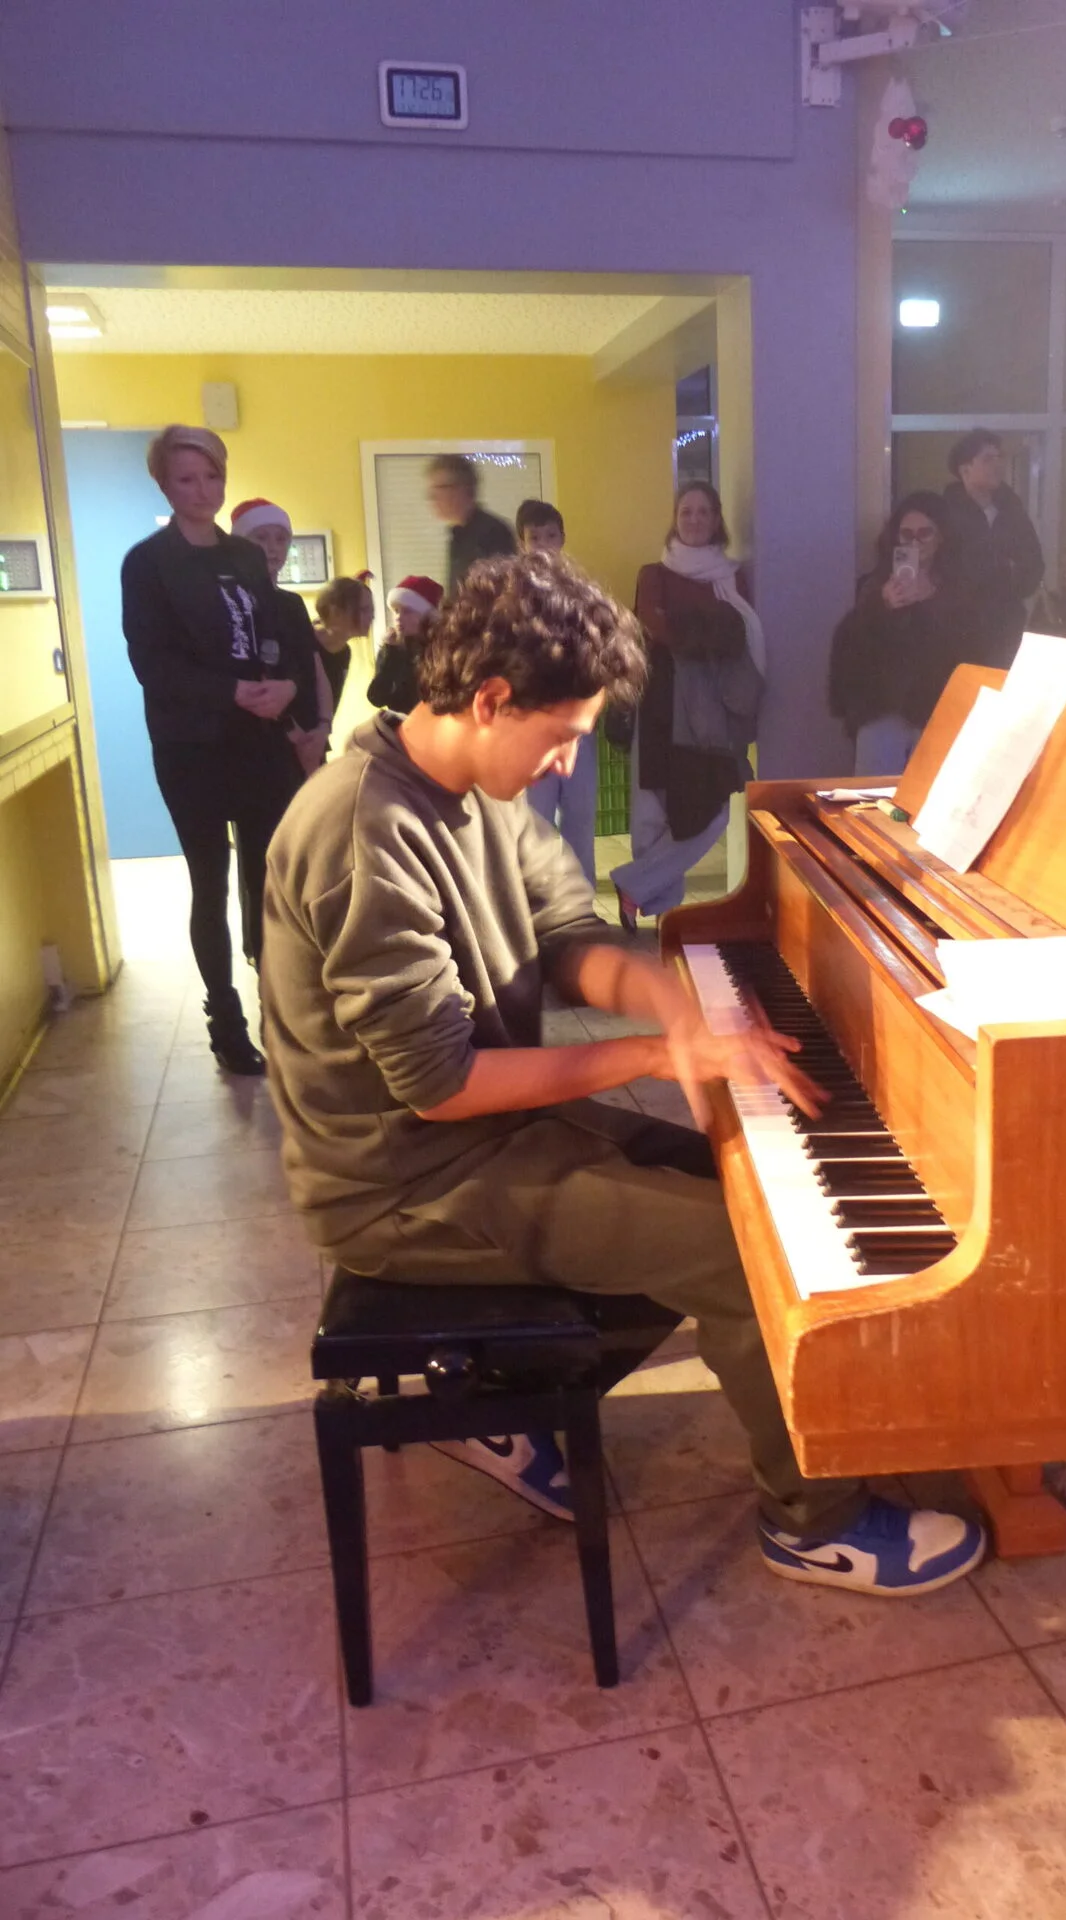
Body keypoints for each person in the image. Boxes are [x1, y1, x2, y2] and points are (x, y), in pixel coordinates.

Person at [260, 549, 984, 1598]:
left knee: (739, 1190)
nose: (568, 765)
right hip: (402, 1182)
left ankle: (500, 1403)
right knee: (741, 1254)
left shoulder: (478, 789)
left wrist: (679, 1012)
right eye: (562, 737)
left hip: (480, 1141)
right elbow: (439, 1086)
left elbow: (572, 938)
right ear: (491, 700)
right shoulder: (364, 831)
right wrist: (653, 1052)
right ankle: (813, 1523)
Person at [121, 427, 314, 1076]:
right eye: (186, 479)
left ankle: (277, 1010)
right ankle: (225, 1021)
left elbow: (280, 639)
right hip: (191, 747)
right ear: (163, 484)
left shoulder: (245, 556)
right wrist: (231, 690)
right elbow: (153, 665)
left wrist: (287, 685)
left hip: (259, 742)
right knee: (210, 880)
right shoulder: (148, 563)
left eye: (212, 477)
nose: (202, 491)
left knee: (268, 880)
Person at [609, 483, 765, 933]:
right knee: (653, 811)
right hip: (658, 700)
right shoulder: (653, 575)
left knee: (712, 809)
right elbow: (657, 627)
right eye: (686, 511)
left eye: (703, 512)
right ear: (675, 519)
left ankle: (633, 885)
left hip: (711, 710)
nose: (694, 519)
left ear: (717, 519)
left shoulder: (732, 577)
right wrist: (710, 631)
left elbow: (740, 634)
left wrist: (699, 631)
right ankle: (665, 918)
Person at [827, 492, 974, 776]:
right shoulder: (876, 586)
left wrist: (932, 602)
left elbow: (969, 646)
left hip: (938, 709)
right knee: (874, 795)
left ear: (941, 536)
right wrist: (881, 606)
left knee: (930, 794)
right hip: (882, 709)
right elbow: (852, 647)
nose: (915, 542)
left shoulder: (959, 587)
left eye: (925, 533)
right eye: (906, 534)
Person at [517, 500, 598, 881]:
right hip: (532, 726)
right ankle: (539, 902)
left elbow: (596, 651)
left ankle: (581, 901)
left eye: (551, 536)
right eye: (535, 538)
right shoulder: (511, 597)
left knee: (580, 817)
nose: (544, 545)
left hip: (577, 723)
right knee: (537, 820)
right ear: (522, 544)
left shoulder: (581, 593)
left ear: (563, 539)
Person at [229, 498, 329, 778]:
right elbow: (256, 676)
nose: (272, 547)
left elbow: (315, 669)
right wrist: (293, 733)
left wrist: (324, 727)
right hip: (266, 742)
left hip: (310, 735)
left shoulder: (292, 603)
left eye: (281, 539)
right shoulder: (236, 602)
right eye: (261, 537)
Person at [942, 429, 1044, 668]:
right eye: (988, 459)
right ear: (965, 469)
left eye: (1000, 457)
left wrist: (1011, 582)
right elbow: (944, 569)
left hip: (1006, 629)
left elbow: (1034, 563)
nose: (998, 465)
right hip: (957, 632)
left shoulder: (1012, 510)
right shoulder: (945, 513)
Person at [426, 453, 517, 596]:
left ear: (463, 489)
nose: (431, 497)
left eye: (440, 487)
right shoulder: (457, 535)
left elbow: (500, 596)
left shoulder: (493, 533)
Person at [367, 575, 444, 713]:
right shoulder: (391, 649)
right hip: (400, 723)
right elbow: (376, 698)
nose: (398, 617)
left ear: (428, 616)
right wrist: (391, 655)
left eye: (407, 611)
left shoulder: (442, 649)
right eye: (396, 611)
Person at [313, 574, 376, 719]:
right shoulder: (303, 642)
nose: (372, 616)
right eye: (364, 609)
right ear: (336, 612)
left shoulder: (344, 652)